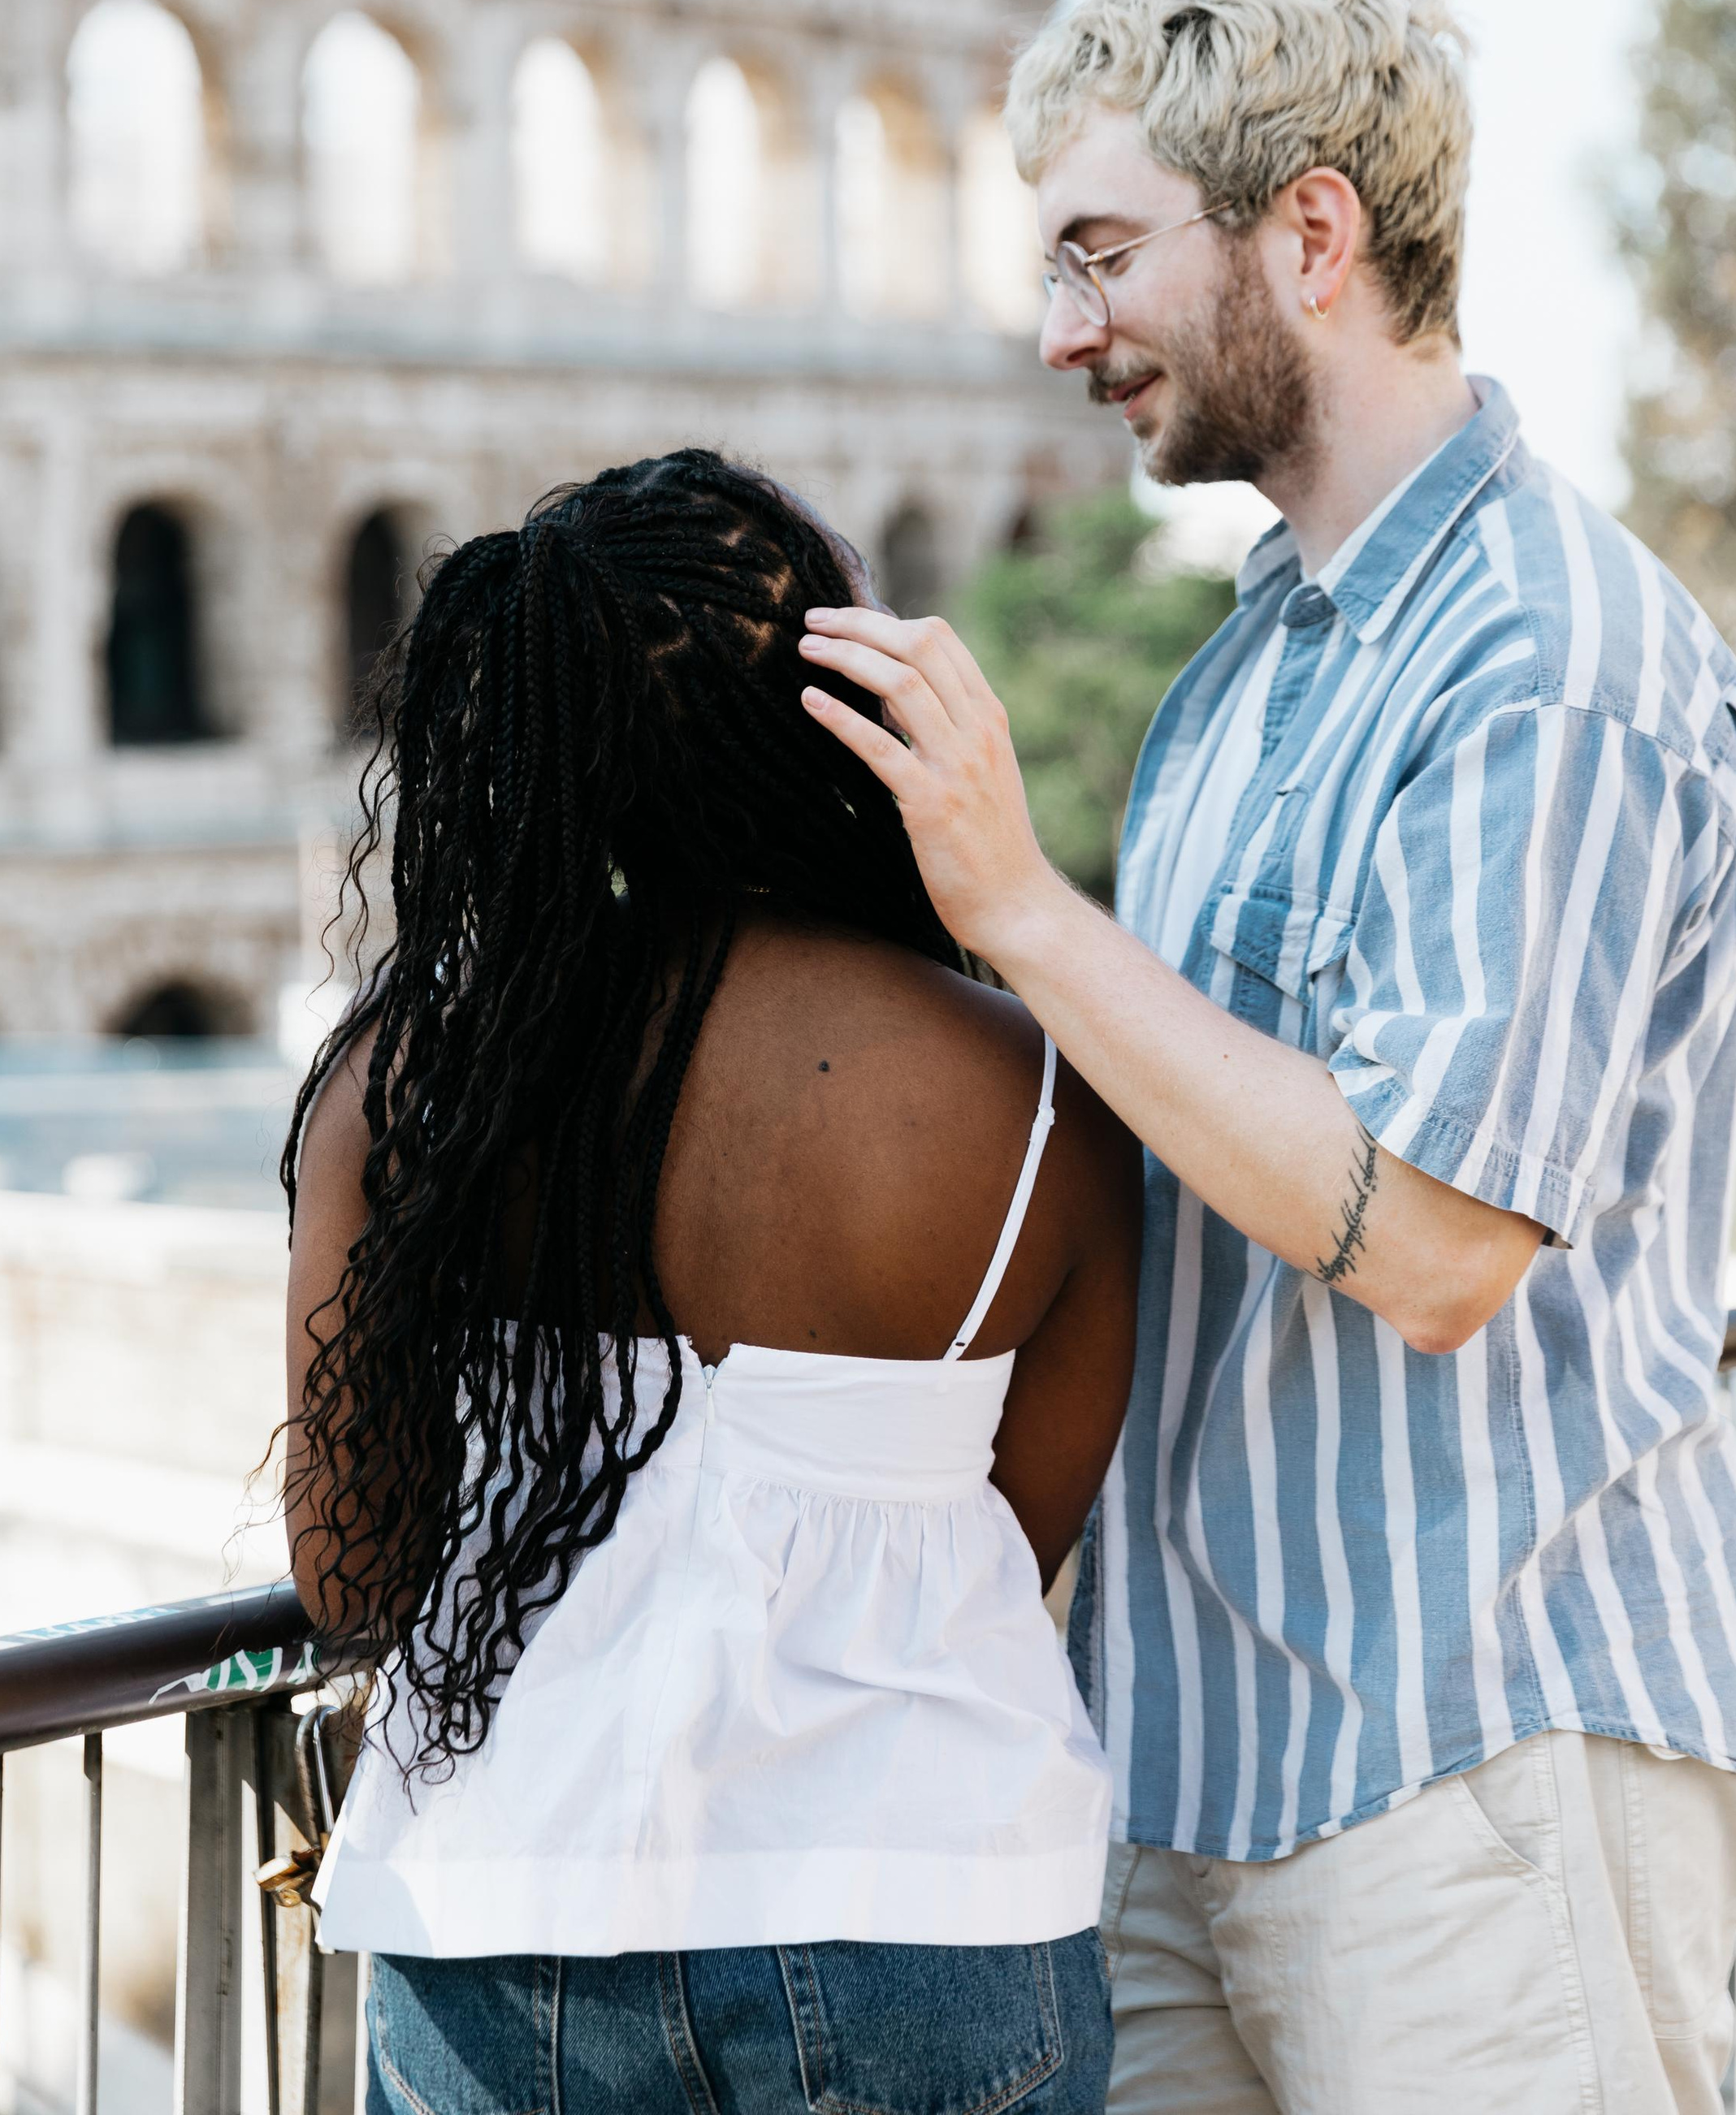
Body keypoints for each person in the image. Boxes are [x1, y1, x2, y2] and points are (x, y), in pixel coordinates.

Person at [796, 0, 1736, 2115]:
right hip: (1189, 1773)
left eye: (1102, 251)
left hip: (1479, 1770)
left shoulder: (1551, 664)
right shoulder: (1246, 668)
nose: (1060, 333)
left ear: (1310, 234)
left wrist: (1021, 905)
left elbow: (1432, 1243)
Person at [284, 451, 1141, 2115]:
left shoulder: (402, 1088)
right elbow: (1011, 1537)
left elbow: (347, 1568)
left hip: (504, 1919)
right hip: (927, 1912)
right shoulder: (1038, 1094)